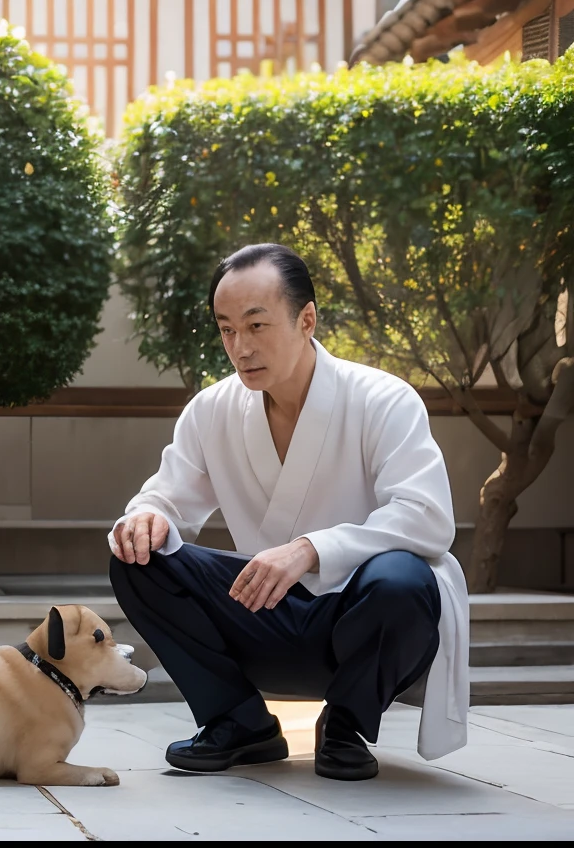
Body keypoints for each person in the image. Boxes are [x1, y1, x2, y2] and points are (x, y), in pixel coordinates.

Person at [108, 244, 469, 782]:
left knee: (404, 576)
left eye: (256, 325)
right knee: (137, 558)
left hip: (364, 622)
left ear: (306, 319)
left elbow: (428, 517)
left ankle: (345, 723)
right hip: (263, 613)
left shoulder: (382, 399)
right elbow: (167, 495)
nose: (240, 346)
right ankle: (239, 722)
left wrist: (312, 550)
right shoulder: (212, 410)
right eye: (226, 329)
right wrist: (147, 515)